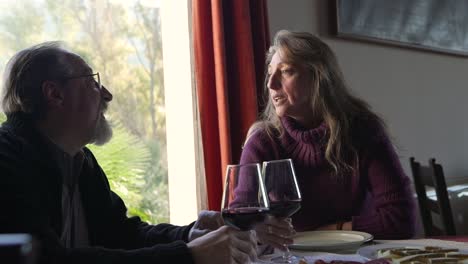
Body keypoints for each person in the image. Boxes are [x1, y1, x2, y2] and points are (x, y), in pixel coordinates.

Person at [0, 42, 257, 264]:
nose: (107, 95)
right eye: (91, 81)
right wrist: (188, 256)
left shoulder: (81, 160)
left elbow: (122, 235)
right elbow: (48, 261)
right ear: (55, 94)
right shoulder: (7, 160)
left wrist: (190, 234)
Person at [240, 30, 416, 247]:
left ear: (319, 77)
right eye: (270, 73)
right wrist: (257, 229)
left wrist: (331, 231)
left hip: (357, 257)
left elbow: (401, 219)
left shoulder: (363, 131)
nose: (271, 84)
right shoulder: (263, 142)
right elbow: (241, 222)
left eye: (286, 71)